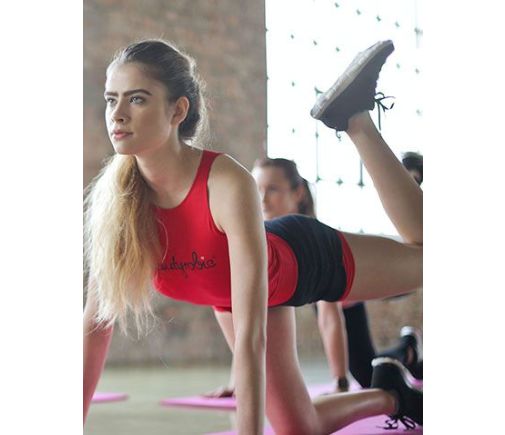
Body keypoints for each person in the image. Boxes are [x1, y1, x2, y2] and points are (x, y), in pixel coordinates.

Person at [84, 39, 423, 434]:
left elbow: (251, 336)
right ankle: (392, 393)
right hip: (234, 299)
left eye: (136, 99)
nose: (118, 115)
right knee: (299, 428)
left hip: (302, 260)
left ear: (177, 110)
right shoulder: (117, 203)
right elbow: (95, 327)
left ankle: (356, 121)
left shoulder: (225, 181)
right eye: (111, 100)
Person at [206, 154, 423, 399]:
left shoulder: (306, 239)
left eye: (273, 189)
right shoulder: (260, 240)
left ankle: (409, 348)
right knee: (370, 372)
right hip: (348, 289)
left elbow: (330, 319)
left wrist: (340, 382)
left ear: (297, 193)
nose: (263, 199)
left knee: (367, 378)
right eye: (258, 190)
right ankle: (412, 352)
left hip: (370, 279)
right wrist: (238, 383)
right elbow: (246, 319)